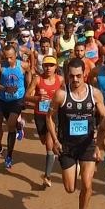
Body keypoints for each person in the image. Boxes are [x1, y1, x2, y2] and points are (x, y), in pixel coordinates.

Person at [46, 58, 105, 209]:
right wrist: (56, 141)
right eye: (71, 76)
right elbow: (49, 117)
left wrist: (100, 135)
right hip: (67, 146)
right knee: (70, 188)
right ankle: (76, 167)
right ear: (67, 75)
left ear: (85, 75)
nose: (75, 80)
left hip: (87, 144)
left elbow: (104, 115)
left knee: (87, 185)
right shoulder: (60, 95)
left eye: (79, 76)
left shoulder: (95, 94)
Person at [26, 55, 63, 187]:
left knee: (49, 144)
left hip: (53, 116)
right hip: (40, 115)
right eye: (46, 65)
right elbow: (26, 96)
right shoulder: (37, 79)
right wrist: (37, 99)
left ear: (56, 67)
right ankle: (62, 154)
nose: (48, 68)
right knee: (44, 142)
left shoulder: (60, 80)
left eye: (51, 65)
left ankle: (47, 176)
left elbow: (68, 95)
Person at [0, 46, 30, 170]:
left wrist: (27, 92)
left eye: (11, 57)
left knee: (10, 125)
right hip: (4, 100)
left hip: (17, 100)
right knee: (12, 123)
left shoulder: (23, 65)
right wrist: (5, 88)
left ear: (16, 55)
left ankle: (9, 156)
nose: (9, 60)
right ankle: (19, 126)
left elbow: (29, 75)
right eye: (6, 57)